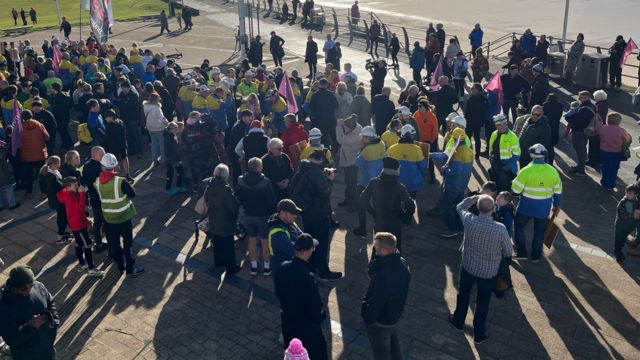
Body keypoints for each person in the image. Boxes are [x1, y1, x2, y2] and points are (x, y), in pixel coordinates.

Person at [449, 194, 513, 344]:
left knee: (463, 294)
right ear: (494, 209)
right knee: (483, 302)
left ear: (477, 207)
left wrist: (476, 196)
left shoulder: (469, 220)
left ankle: (458, 322)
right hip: (488, 272)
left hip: (468, 266)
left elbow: (460, 207)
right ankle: (479, 334)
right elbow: (509, 251)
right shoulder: (500, 229)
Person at [274, 233, 328, 360]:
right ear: (306, 250)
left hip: (288, 323)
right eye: (312, 248)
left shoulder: (282, 267)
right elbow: (314, 305)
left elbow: (278, 292)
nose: (313, 250)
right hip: (308, 328)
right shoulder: (307, 277)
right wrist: (321, 316)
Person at [291, 150, 342, 281]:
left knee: (310, 239)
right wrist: (330, 180)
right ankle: (324, 272)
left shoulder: (302, 167)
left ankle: (311, 265)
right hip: (319, 212)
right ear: (320, 159)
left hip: (306, 212)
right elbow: (325, 193)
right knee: (322, 243)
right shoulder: (317, 173)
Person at [361, 233, 410, 360]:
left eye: (376, 248)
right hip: (394, 315)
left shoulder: (384, 276)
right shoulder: (403, 263)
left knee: (381, 353)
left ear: (383, 250)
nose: (375, 251)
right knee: (394, 346)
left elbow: (376, 302)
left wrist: (367, 314)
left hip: (380, 322)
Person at [95, 153, 144, 276]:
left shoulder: (96, 182)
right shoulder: (120, 181)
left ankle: (120, 266)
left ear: (102, 166)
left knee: (114, 244)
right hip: (123, 218)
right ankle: (130, 268)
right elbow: (132, 194)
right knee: (128, 244)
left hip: (108, 218)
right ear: (115, 166)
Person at [511, 144, 562, 262]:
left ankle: (522, 252)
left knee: (518, 227)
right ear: (544, 156)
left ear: (531, 156)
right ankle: (536, 255)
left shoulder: (525, 171)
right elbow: (558, 191)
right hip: (543, 210)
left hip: (525, 208)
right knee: (539, 232)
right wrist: (556, 205)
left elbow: (515, 190)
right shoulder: (553, 171)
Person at [0, 265, 59, 359]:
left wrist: (54, 321)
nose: (26, 292)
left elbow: (50, 302)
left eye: (30, 286)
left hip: (47, 349)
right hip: (26, 355)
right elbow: (11, 339)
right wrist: (31, 326)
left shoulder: (39, 286)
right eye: (22, 289)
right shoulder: (3, 304)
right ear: (13, 286)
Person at [355, 156, 415, 249]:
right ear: (396, 171)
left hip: (379, 221)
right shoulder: (399, 186)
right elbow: (410, 205)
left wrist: (373, 212)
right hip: (395, 223)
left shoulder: (374, 182)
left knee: (378, 249)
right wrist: (405, 218)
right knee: (394, 250)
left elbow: (362, 199)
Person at [235, 157, 277, 275]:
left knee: (251, 240)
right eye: (261, 166)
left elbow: (236, 196)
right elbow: (272, 202)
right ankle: (267, 267)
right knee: (265, 242)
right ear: (258, 167)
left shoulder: (240, 180)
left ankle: (254, 267)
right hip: (263, 216)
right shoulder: (266, 182)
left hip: (248, 215)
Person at [57, 177, 105, 277]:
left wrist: (78, 192)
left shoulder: (65, 193)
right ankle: (91, 269)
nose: (78, 186)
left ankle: (82, 264)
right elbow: (80, 207)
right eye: (75, 185)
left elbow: (59, 195)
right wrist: (82, 193)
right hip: (78, 225)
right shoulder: (71, 196)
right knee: (87, 245)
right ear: (68, 186)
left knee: (79, 244)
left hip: (75, 223)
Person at [432, 128, 474, 237]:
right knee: (458, 207)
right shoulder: (469, 150)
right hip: (462, 184)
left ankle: (452, 229)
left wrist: (444, 171)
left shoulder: (457, 153)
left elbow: (455, 172)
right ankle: (460, 227)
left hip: (453, 185)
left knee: (446, 207)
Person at [201, 164, 241, 274]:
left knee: (217, 243)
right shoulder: (225, 188)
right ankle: (231, 268)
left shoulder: (209, 185)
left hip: (213, 219)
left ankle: (219, 263)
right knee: (228, 245)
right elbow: (232, 207)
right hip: (226, 221)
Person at [388, 125, 427, 199]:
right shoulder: (417, 149)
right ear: (412, 136)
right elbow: (422, 166)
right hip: (412, 183)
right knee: (410, 203)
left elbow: (388, 167)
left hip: (396, 183)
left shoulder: (392, 149)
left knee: (398, 203)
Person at [268, 199, 303, 276]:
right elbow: (293, 250)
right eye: (292, 213)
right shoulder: (276, 232)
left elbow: (302, 235)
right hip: (283, 273)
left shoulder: (291, 223)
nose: (295, 216)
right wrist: (307, 244)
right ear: (282, 213)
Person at [39, 156, 71, 244]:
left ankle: (62, 233)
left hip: (56, 200)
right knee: (63, 218)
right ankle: (60, 237)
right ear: (54, 164)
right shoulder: (51, 177)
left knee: (61, 216)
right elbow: (57, 189)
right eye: (59, 163)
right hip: (58, 201)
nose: (60, 165)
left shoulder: (49, 172)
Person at [565, 91, 596, 176]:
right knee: (582, 149)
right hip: (585, 131)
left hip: (579, 132)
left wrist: (569, 114)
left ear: (587, 97)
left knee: (580, 150)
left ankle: (580, 170)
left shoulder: (584, 109)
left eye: (581, 97)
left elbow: (573, 120)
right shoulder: (592, 106)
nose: (579, 99)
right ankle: (580, 166)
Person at [82, 147, 108, 250]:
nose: (103, 156)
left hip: (93, 198)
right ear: (93, 155)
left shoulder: (86, 165)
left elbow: (84, 180)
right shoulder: (99, 168)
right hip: (101, 199)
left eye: (104, 153)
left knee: (97, 222)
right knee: (104, 222)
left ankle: (98, 243)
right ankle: (106, 244)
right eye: (101, 155)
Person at [19, 110, 49, 197]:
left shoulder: (20, 128)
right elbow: (47, 137)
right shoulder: (39, 125)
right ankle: (44, 192)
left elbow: (16, 142)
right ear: (31, 115)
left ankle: (29, 192)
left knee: (28, 175)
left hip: (26, 156)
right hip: (40, 154)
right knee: (42, 174)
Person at [336, 115, 362, 211]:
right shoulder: (356, 128)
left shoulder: (355, 136)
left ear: (351, 128)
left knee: (352, 185)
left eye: (345, 128)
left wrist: (339, 127)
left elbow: (340, 140)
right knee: (348, 183)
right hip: (349, 162)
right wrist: (345, 123)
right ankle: (348, 200)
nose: (344, 129)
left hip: (352, 164)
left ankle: (354, 205)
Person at [598, 113, 630, 190]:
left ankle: (603, 182)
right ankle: (610, 185)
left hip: (604, 151)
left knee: (604, 167)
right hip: (616, 152)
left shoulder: (603, 128)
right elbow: (627, 139)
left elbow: (599, 135)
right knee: (613, 169)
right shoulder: (621, 130)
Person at [488, 115, 520, 192]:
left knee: (505, 189)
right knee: (498, 186)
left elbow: (517, 154)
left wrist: (507, 166)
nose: (501, 126)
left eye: (503, 124)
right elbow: (491, 148)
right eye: (499, 125)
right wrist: (491, 159)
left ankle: (506, 203)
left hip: (505, 168)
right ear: (495, 125)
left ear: (506, 124)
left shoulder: (512, 137)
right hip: (495, 165)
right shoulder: (494, 134)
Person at [102, 109, 133, 182]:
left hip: (113, 146)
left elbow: (107, 138)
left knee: (116, 161)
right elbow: (125, 133)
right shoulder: (120, 122)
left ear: (111, 117)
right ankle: (127, 174)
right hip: (122, 144)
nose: (105, 119)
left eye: (107, 117)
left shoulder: (109, 126)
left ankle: (117, 176)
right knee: (125, 158)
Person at [613, 184, 640, 263]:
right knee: (618, 240)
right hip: (620, 226)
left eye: (630, 193)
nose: (627, 195)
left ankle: (619, 250)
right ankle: (617, 254)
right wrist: (633, 215)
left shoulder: (637, 201)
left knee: (623, 239)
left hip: (628, 227)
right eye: (626, 192)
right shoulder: (623, 202)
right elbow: (622, 214)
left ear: (636, 195)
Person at [310, 78, 339, 148]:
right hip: (330, 119)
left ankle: (324, 151)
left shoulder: (314, 95)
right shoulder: (331, 94)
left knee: (322, 137)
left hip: (319, 119)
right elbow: (336, 105)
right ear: (327, 85)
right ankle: (338, 149)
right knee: (333, 135)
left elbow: (312, 108)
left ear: (319, 84)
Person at [143, 93, 169, 165]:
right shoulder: (157, 108)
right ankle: (163, 160)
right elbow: (161, 118)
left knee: (154, 144)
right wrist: (166, 122)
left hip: (150, 127)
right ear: (156, 99)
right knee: (161, 144)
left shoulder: (145, 106)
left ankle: (155, 160)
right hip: (159, 127)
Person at [464, 84, 488, 156]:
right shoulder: (484, 99)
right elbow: (485, 110)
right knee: (477, 138)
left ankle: (467, 152)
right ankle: (477, 154)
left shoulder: (472, 99)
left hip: (470, 122)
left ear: (477, 90)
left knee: (468, 138)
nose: (471, 89)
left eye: (473, 88)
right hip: (478, 122)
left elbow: (467, 111)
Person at [49, 83, 73, 150]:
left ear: (54, 89)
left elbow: (56, 109)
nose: (51, 89)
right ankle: (69, 143)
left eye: (51, 88)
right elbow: (70, 104)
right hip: (66, 116)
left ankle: (66, 146)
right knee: (64, 131)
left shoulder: (57, 98)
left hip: (60, 118)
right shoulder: (65, 95)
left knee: (62, 132)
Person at [164, 122, 186, 194]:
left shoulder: (169, 135)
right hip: (173, 159)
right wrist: (174, 160)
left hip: (173, 158)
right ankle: (171, 188)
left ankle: (174, 187)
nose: (177, 131)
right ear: (172, 129)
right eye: (176, 129)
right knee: (174, 172)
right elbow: (171, 150)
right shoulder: (169, 138)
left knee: (174, 172)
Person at [542, 93, 563, 164]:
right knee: (552, 145)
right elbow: (560, 115)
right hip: (555, 125)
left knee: (547, 145)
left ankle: (546, 160)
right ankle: (551, 160)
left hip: (547, 125)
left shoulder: (545, 105)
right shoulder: (560, 105)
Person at [0, 141, 19, 210]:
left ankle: (0, 205)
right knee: (8, 187)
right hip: (2, 171)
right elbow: (2, 156)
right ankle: (12, 204)